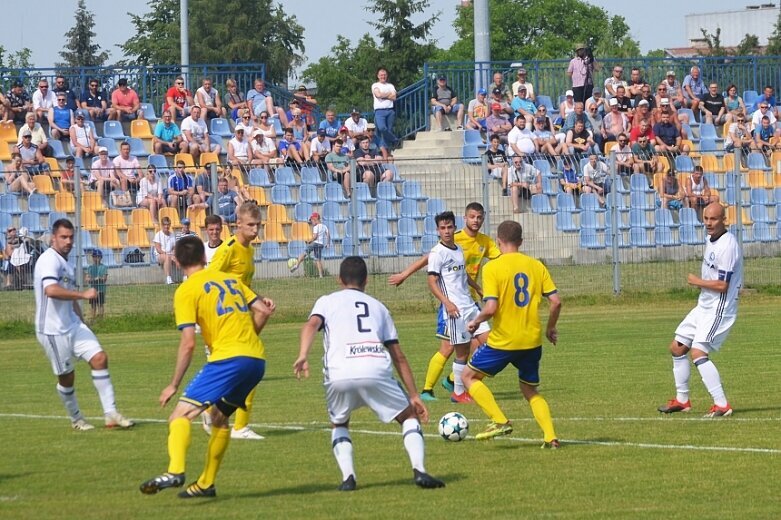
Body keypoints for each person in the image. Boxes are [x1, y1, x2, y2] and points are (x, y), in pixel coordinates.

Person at [139, 236, 275, 498]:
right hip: (256, 360)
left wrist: (173, 384)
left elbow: (188, 344)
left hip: (227, 360)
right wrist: (247, 342)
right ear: (204, 257)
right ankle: (206, 484)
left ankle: (175, 471)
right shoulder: (232, 280)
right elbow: (263, 310)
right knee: (219, 419)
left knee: (179, 416)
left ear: (177, 262)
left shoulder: (186, 290)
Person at [294, 256, 445, 491]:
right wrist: (414, 395)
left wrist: (303, 354)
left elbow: (311, 324)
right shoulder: (379, 307)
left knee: (340, 423)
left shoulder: (326, 301)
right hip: (375, 367)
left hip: (339, 372)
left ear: (339, 279)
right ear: (366, 280)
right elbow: (398, 355)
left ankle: (348, 478)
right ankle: (419, 470)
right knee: (408, 417)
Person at [461, 220, 561, 447]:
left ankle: (499, 420)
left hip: (504, 340)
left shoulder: (492, 268)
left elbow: (491, 308)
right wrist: (550, 328)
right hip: (532, 340)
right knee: (529, 389)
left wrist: (476, 322)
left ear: (498, 241)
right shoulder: (536, 265)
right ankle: (550, 436)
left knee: (468, 376)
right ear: (521, 242)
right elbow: (556, 302)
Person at [388, 202, 500, 397]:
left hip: (469, 300)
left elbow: (497, 262)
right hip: (452, 303)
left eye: (479, 217)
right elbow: (429, 259)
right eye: (472, 217)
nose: (476, 220)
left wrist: (483, 289)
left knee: (484, 344)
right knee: (449, 348)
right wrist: (404, 274)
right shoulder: (452, 240)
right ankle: (428, 390)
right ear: (464, 219)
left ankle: (453, 380)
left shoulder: (484, 241)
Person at [34, 218, 133, 431]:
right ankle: (77, 419)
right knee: (67, 378)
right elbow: (50, 290)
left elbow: (67, 297)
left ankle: (111, 414)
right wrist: (83, 294)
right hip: (52, 331)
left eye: (71, 237)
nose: (68, 241)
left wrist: (80, 319)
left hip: (72, 325)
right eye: (63, 237)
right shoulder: (48, 260)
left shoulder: (66, 262)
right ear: (54, 238)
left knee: (99, 358)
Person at [658, 203, 741, 418]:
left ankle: (722, 404)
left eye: (713, 219)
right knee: (677, 348)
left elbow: (723, 286)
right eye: (705, 218)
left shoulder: (728, 245)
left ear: (724, 220)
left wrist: (697, 281)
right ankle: (682, 401)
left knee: (698, 352)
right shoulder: (711, 239)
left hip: (718, 307)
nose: (708, 223)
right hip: (704, 305)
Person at [206, 201, 268, 440]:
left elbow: (244, 285)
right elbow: (210, 279)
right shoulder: (228, 249)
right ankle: (238, 426)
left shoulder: (249, 249)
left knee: (245, 368)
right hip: (229, 317)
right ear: (237, 224)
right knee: (250, 365)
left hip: (242, 315)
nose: (255, 230)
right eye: (250, 225)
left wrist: (260, 298)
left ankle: (212, 408)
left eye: (258, 225)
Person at [426, 211, 490, 403]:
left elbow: (463, 275)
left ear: (455, 227)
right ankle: (459, 392)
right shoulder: (437, 253)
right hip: (455, 311)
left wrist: (478, 288)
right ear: (438, 231)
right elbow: (432, 282)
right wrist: (447, 303)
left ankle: (461, 382)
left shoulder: (458, 249)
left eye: (449, 227)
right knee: (461, 352)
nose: (446, 231)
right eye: (442, 228)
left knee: (491, 342)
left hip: (470, 306)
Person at [290, 212, 330, 278]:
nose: (311, 222)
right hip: (321, 245)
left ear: (315, 219)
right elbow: (328, 234)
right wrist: (328, 243)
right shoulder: (324, 226)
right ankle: (321, 275)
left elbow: (315, 237)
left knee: (304, 253)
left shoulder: (316, 227)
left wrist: (309, 241)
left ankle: (297, 265)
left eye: (311, 220)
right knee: (318, 260)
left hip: (315, 243)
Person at [372, 67, 399, 150]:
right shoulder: (375, 85)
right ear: (378, 76)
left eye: (384, 75)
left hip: (390, 110)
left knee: (389, 130)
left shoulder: (390, 85)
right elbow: (378, 95)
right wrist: (388, 94)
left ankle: (387, 149)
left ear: (387, 76)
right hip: (379, 111)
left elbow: (394, 97)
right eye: (381, 75)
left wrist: (383, 96)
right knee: (382, 128)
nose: (383, 76)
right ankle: (395, 139)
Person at [85, 249, 108, 321]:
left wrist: (99, 278)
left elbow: (104, 279)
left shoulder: (103, 267)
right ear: (93, 257)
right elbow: (87, 279)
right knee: (93, 305)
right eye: (95, 257)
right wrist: (90, 279)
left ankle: (101, 319)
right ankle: (93, 318)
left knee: (100, 304)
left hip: (100, 289)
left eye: (98, 257)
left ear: (101, 258)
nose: (96, 258)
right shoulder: (90, 267)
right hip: (92, 290)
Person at [154, 217, 177, 285]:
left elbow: (175, 247)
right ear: (162, 225)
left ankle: (186, 277)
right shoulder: (158, 234)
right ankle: (168, 278)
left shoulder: (172, 235)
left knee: (181, 257)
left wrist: (173, 254)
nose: (166, 226)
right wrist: (169, 254)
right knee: (167, 257)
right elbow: (158, 249)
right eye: (165, 224)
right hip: (160, 255)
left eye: (168, 224)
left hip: (170, 254)